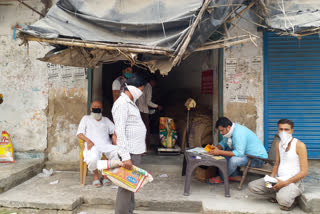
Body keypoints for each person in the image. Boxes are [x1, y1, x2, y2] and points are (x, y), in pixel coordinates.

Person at [248, 119, 308, 211]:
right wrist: (272, 178)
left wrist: (285, 183)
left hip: (293, 182)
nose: (283, 132)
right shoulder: (278, 144)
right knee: (253, 186)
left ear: (292, 131)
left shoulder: (300, 145)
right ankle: (279, 193)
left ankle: (288, 197)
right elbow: (277, 163)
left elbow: (304, 172)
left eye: (286, 129)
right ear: (278, 130)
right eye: (281, 129)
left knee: (284, 201)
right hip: (278, 179)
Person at [111, 72, 147, 214]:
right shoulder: (122, 104)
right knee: (125, 186)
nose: (141, 93)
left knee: (130, 183)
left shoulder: (129, 103)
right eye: (141, 90)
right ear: (133, 88)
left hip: (134, 150)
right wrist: (125, 156)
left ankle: (129, 211)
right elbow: (119, 131)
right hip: (129, 152)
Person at [208, 117, 268, 184]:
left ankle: (222, 177)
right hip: (247, 155)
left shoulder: (238, 133)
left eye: (222, 130)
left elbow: (239, 153)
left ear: (228, 127)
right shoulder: (231, 130)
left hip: (257, 159)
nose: (221, 133)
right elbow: (224, 143)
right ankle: (235, 176)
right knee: (225, 150)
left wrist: (219, 152)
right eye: (220, 131)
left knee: (234, 160)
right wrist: (215, 149)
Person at [77, 100, 118, 187]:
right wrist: (88, 141)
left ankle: (105, 174)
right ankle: (96, 175)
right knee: (92, 159)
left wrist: (114, 137)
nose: (96, 109)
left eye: (98, 108)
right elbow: (80, 133)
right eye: (94, 107)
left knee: (118, 152)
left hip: (105, 145)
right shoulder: (86, 118)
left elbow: (115, 130)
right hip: (92, 146)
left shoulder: (106, 120)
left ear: (102, 109)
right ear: (90, 109)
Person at [136, 77, 162, 151]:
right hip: (143, 111)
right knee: (146, 130)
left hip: (138, 109)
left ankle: (140, 147)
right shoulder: (149, 87)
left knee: (140, 129)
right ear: (152, 81)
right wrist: (157, 106)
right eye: (155, 83)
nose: (155, 85)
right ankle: (146, 147)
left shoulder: (142, 85)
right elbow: (148, 102)